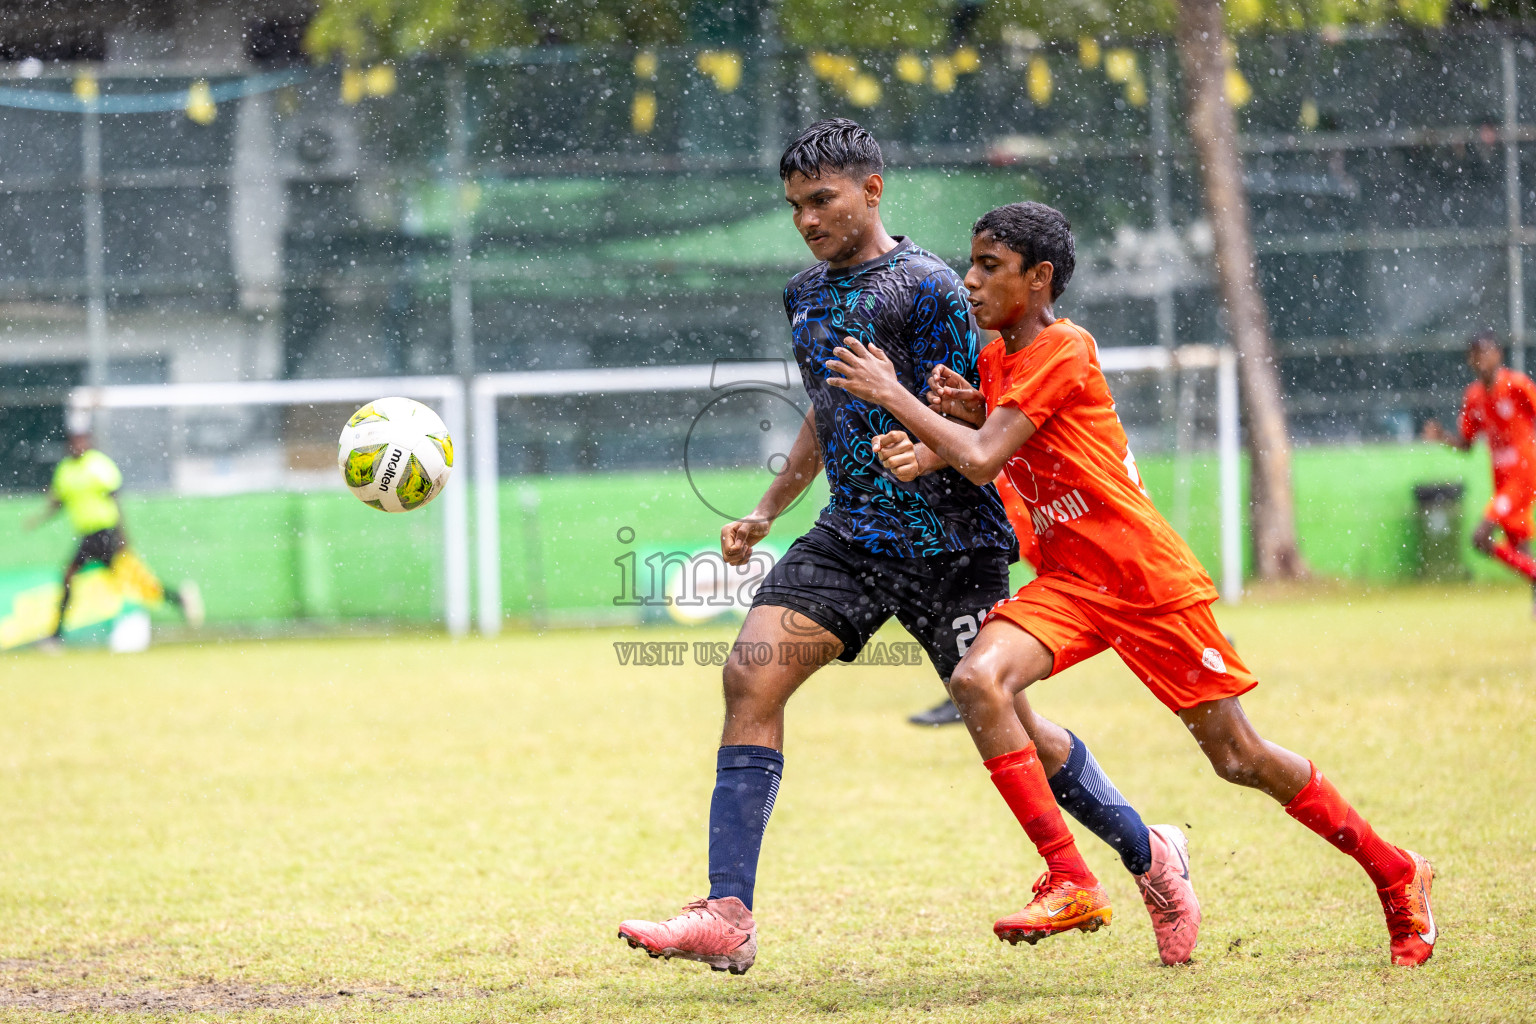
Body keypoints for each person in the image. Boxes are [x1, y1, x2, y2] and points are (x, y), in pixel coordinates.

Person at [617, 121, 1202, 975]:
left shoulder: (930, 286)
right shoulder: (804, 294)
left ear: (873, 191)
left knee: (1016, 730)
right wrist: (768, 506)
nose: (807, 220)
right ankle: (727, 911)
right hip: (850, 538)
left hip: (952, 544)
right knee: (749, 672)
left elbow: (987, 407)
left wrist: (928, 451)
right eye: (794, 207)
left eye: (823, 200)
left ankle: (1149, 856)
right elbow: (829, 407)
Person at [822, 201, 1437, 967]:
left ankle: (1395, 872)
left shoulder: (1065, 346)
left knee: (1238, 758)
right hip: (1073, 582)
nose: (970, 281)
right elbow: (1004, 438)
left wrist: (900, 398)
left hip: (1146, 583)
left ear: (1038, 279)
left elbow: (986, 455)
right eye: (971, 263)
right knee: (978, 680)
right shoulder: (996, 361)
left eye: (990, 266)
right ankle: (1070, 876)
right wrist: (934, 442)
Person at [28, 430, 204, 646]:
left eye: (81, 440)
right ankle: (56, 636)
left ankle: (178, 599)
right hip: (87, 536)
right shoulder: (65, 471)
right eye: (73, 441)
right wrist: (39, 519)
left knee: (133, 581)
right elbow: (60, 501)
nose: (77, 445)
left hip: (106, 534)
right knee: (68, 578)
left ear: (88, 442)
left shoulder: (99, 466)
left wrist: (122, 535)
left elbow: (115, 500)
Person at [1422, 330, 1536, 600]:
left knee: (1481, 536)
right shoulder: (1473, 397)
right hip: (1501, 480)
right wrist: (1441, 437)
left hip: (1524, 474)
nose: (1480, 359)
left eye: (1485, 352)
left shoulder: (1516, 385)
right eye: (1474, 354)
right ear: (1469, 360)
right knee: (1518, 542)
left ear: (1498, 355)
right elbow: (1467, 444)